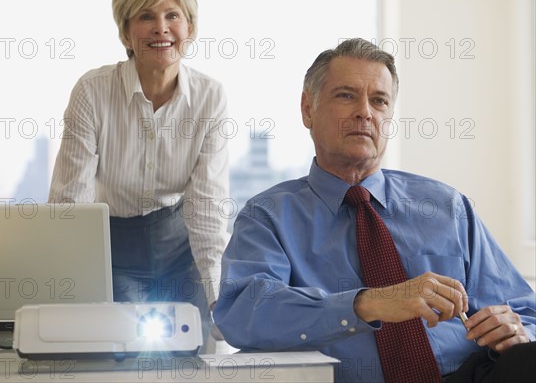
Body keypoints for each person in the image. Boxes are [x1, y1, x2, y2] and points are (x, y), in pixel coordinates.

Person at [213, 38, 535, 382]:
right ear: (308, 109)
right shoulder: (269, 216)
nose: (365, 112)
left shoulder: (446, 206)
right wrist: (369, 304)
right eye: (346, 95)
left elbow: (525, 310)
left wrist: (518, 329)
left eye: (379, 100)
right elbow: (243, 312)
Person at [48, 0, 229, 349]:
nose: (161, 28)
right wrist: (69, 290)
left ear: (190, 28)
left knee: (193, 355)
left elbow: (207, 207)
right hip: (113, 249)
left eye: (172, 16)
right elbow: (70, 204)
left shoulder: (211, 97)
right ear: (127, 32)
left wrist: (218, 295)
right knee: (121, 356)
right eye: (146, 16)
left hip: (181, 250)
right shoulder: (92, 92)